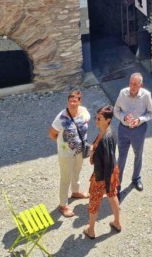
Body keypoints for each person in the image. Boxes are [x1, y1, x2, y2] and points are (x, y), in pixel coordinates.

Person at [48, 90, 90, 218]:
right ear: (67, 102)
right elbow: (52, 134)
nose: (72, 103)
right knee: (65, 178)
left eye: (75, 101)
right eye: (70, 101)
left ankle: (75, 192)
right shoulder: (61, 117)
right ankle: (63, 205)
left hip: (79, 150)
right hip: (66, 154)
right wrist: (65, 145)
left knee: (76, 172)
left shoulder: (83, 111)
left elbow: (86, 122)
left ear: (79, 102)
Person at [114, 72, 152, 193]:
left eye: (135, 84)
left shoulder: (146, 95)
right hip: (123, 129)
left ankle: (136, 178)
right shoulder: (123, 93)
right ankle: (117, 184)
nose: (132, 86)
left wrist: (139, 120)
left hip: (139, 130)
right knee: (121, 157)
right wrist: (124, 117)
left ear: (140, 85)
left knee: (138, 154)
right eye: (130, 83)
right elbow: (116, 110)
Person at [84, 105, 122, 238]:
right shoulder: (109, 131)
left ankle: (91, 230)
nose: (96, 120)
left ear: (108, 120)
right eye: (96, 117)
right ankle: (117, 222)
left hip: (102, 175)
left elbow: (104, 160)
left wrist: (92, 154)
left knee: (94, 200)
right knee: (112, 196)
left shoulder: (104, 137)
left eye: (99, 118)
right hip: (112, 172)